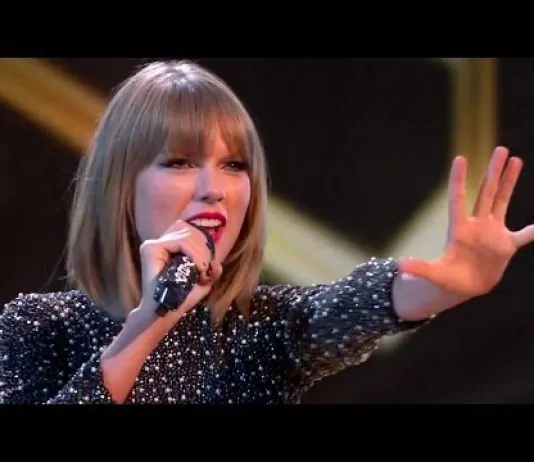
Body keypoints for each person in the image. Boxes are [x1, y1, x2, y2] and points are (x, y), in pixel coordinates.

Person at [0, 60, 532, 405]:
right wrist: (148, 325)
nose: (214, 189)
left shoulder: (259, 330)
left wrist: (442, 286)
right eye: (181, 162)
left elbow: (348, 306)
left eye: (234, 165)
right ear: (121, 184)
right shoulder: (39, 328)